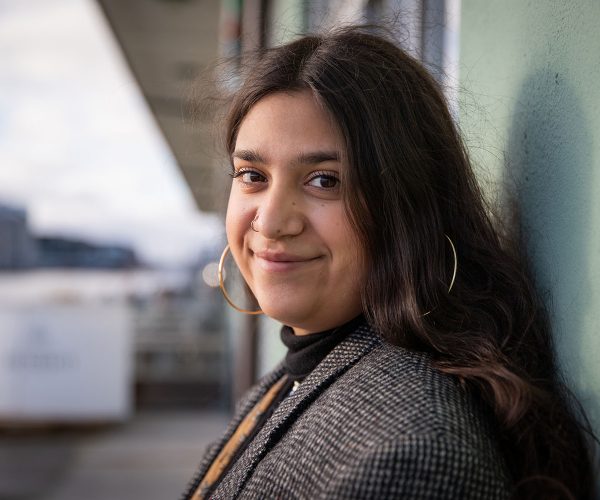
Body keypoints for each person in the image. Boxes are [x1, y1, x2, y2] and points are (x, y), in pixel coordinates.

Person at [182, 26, 596, 499]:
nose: (272, 222)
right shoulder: (300, 371)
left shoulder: (414, 454)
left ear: (407, 205)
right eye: (253, 175)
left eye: (324, 180)